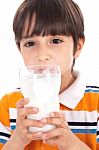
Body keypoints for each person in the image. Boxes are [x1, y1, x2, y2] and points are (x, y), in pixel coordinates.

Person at [0, 0, 99, 149]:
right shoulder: (9, 106)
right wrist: (17, 140)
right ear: (20, 49)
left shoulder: (95, 105)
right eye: (30, 44)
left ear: (77, 47)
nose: (42, 55)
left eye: (55, 40)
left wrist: (72, 144)